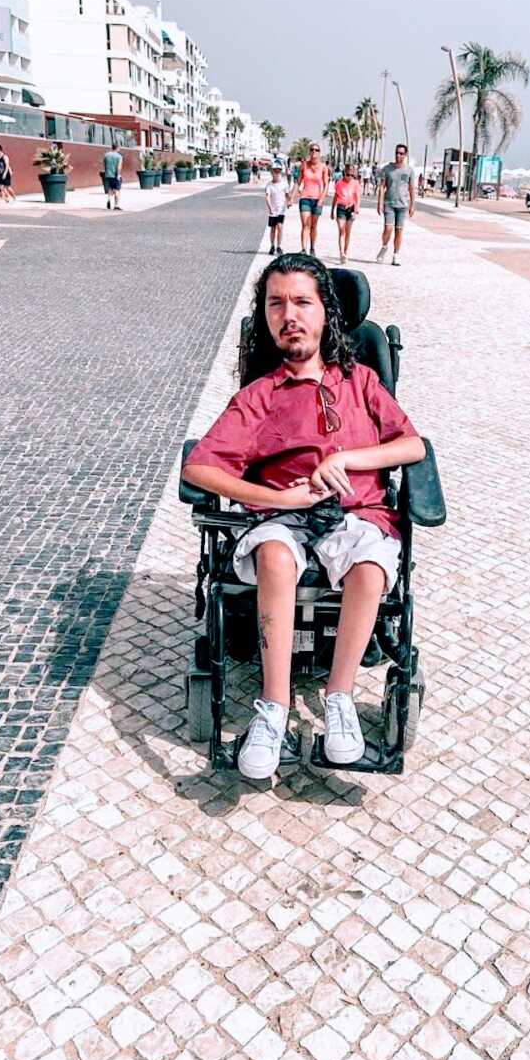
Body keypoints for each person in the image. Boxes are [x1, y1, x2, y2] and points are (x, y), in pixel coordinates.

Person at [182, 254, 425, 780]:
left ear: (325, 313)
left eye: (301, 302)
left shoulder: (360, 381)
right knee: (272, 552)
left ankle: (339, 699)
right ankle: (273, 708)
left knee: (370, 563)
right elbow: (201, 466)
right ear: (265, 319)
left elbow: (412, 446)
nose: (289, 314)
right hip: (283, 518)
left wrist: (346, 459)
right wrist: (275, 500)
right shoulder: (259, 396)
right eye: (276, 304)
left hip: (355, 511)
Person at [376, 143, 416, 266]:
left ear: (405, 155)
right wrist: (380, 203)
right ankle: (384, 247)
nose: (398, 155)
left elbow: (411, 188)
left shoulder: (409, 170)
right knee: (388, 228)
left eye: (401, 153)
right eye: (397, 153)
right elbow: (382, 187)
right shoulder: (387, 169)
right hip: (389, 203)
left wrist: (412, 205)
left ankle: (395, 255)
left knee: (399, 230)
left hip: (403, 205)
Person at [292, 142, 330, 255]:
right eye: (312, 149)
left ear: (319, 153)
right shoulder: (304, 165)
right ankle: (303, 249)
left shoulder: (323, 167)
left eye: (316, 150)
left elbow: (326, 184)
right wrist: (292, 196)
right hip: (305, 198)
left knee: (313, 225)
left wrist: (322, 199)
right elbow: (298, 182)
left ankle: (312, 248)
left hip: (317, 199)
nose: (314, 152)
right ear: (309, 152)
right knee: (305, 224)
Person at [331, 162, 361, 264]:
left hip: (351, 209)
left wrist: (357, 208)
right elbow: (335, 197)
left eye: (352, 175)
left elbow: (357, 197)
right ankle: (342, 253)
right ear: (344, 173)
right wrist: (332, 210)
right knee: (341, 230)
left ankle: (346, 252)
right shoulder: (338, 183)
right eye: (348, 174)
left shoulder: (355, 183)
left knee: (348, 232)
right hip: (341, 208)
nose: (350, 177)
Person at [264, 163, 290, 255]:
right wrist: (270, 207)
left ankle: (279, 246)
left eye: (279, 171)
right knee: (273, 228)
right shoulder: (269, 185)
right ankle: (272, 246)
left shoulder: (284, 184)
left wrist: (289, 202)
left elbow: (287, 195)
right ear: (272, 173)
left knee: (280, 227)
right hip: (272, 210)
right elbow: (267, 197)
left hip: (281, 209)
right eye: (275, 171)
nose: (277, 173)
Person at [102, 145, 124, 211]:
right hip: (115, 175)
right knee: (117, 190)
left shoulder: (106, 155)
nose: (119, 149)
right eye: (119, 148)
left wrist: (107, 172)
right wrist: (118, 175)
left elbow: (104, 164)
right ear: (117, 148)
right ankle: (116, 205)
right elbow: (119, 166)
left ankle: (108, 200)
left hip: (108, 175)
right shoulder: (119, 156)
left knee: (110, 188)